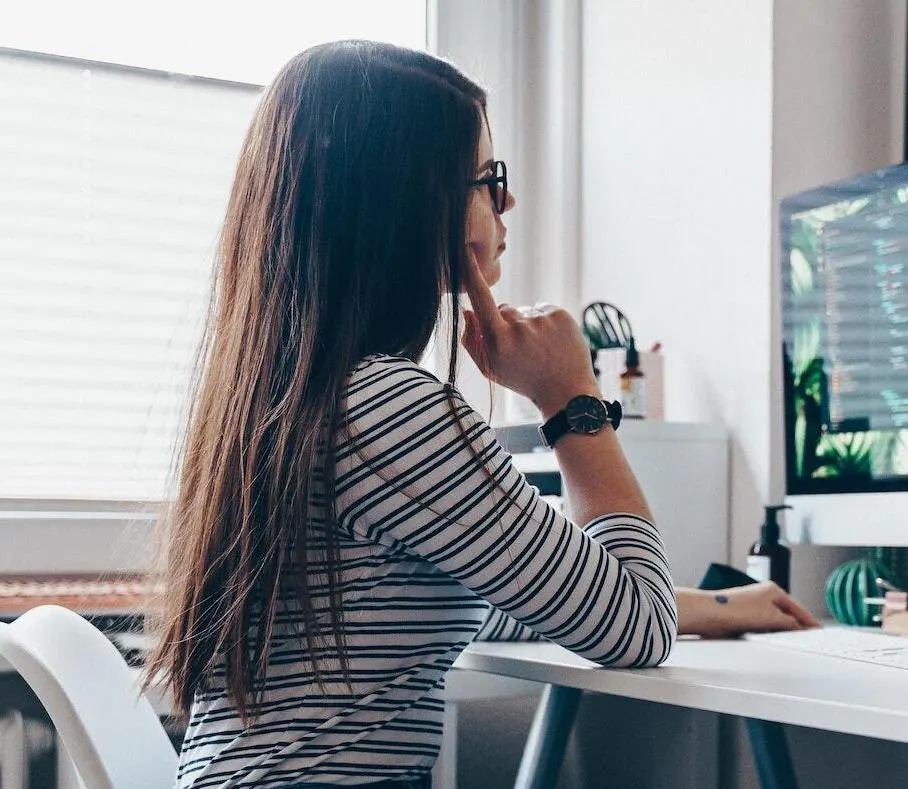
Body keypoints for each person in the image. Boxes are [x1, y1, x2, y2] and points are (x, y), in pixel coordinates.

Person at [145, 40, 816, 789]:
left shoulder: (296, 399)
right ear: (412, 201)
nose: (508, 203)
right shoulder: (389, 408)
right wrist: (571, 402)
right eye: (489, 179)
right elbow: (635, 628)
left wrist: (716, 604)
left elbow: (476, 595)